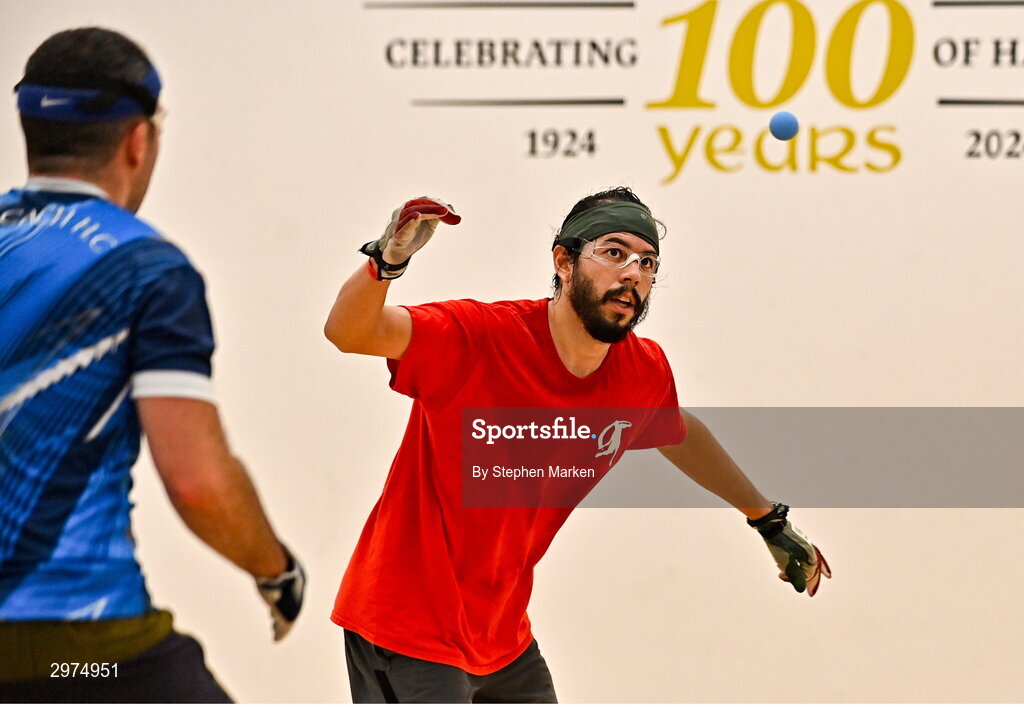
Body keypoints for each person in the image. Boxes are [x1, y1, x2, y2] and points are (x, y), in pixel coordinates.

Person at [324, 190, 831, 703]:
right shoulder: (479, 337)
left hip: (500, 639)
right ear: (564, 261)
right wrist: (385, 263)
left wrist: (766, 518)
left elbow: (679, 432)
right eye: (613, 253)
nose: (633, 272)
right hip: (404, 629)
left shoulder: (640, 372)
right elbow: (350, 332)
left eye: (647, 262)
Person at [0, 28, 305, 702]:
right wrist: (276, 568)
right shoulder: (146, 270)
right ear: (138, 141)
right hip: (82, 651)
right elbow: (197, 481)